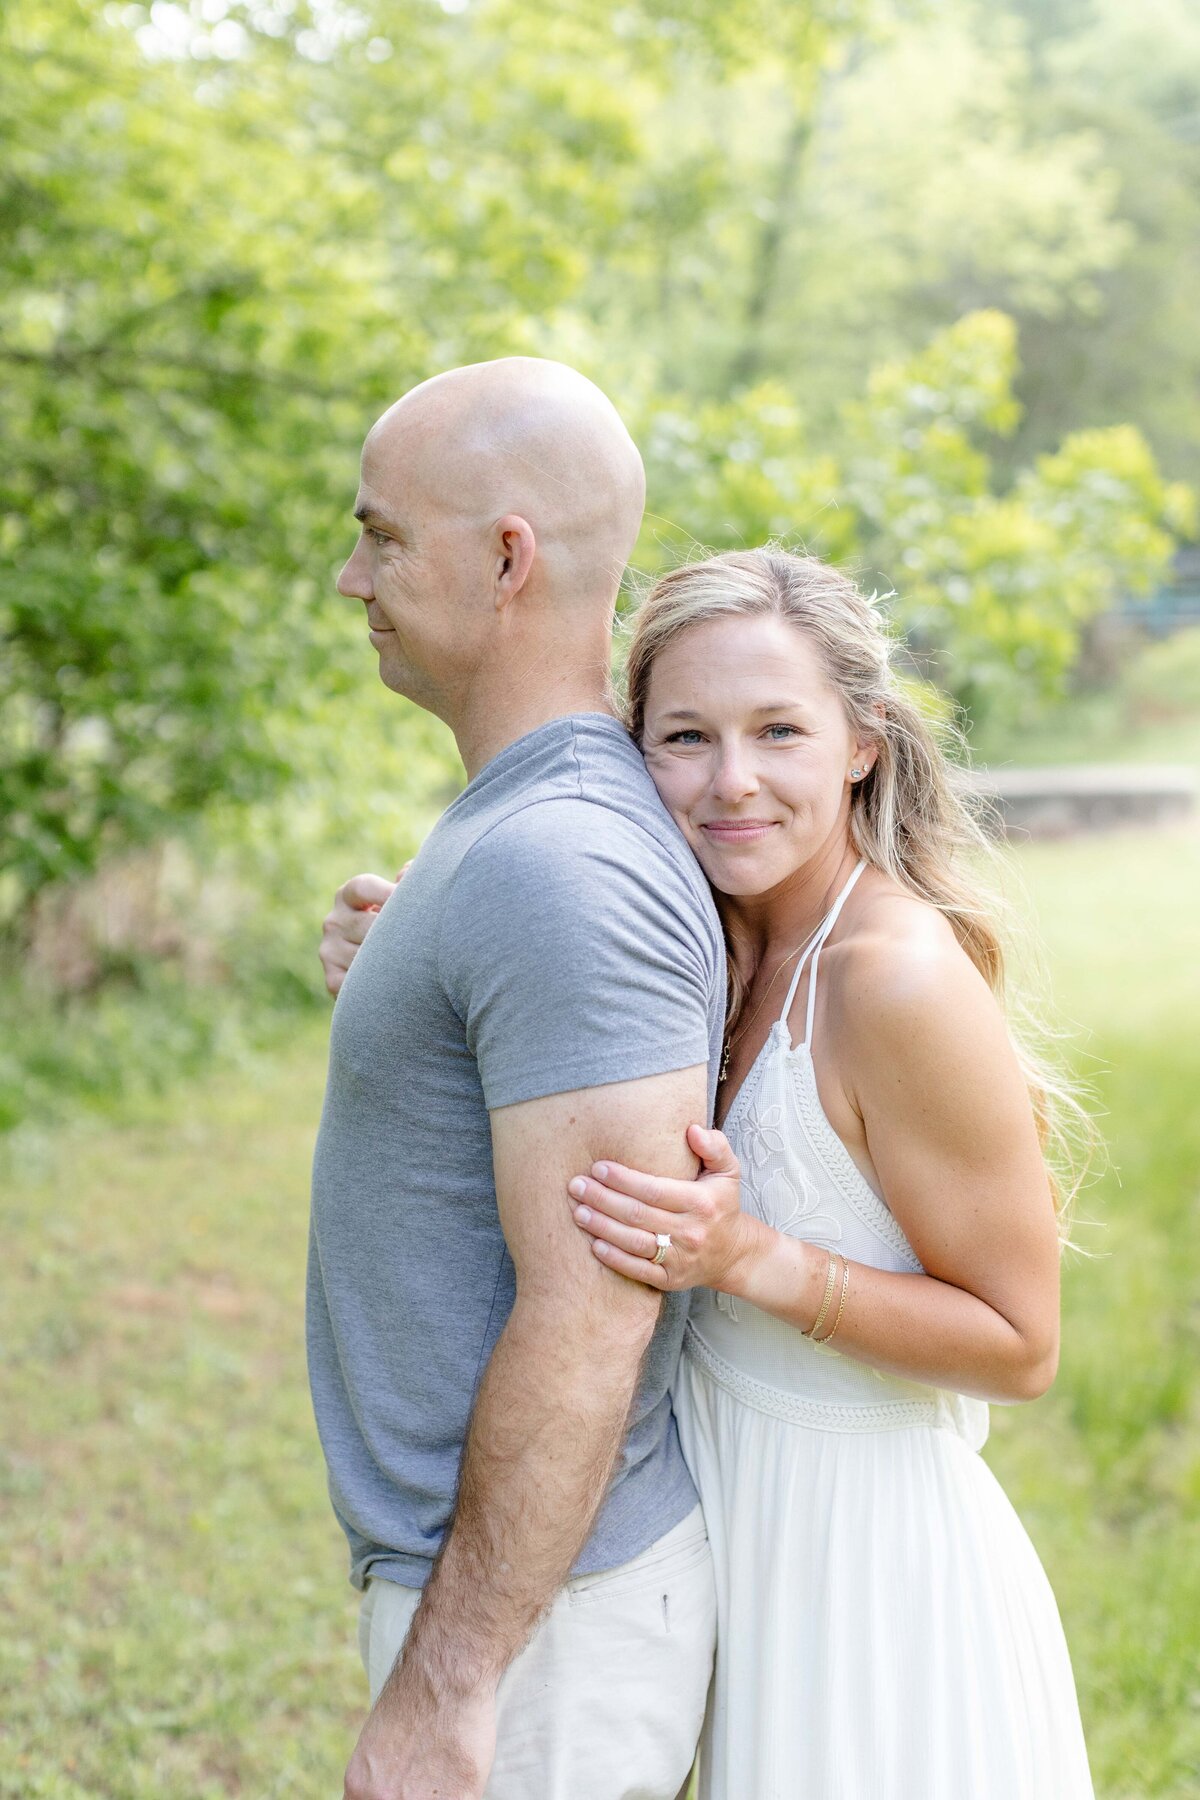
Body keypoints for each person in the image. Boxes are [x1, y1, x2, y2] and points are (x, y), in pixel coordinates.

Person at [329, 547, 1095, 1798]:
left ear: (862, 743)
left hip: (874, 1582)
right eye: (685, 737)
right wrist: (420, 946)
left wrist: (758, 1259)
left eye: (779, 731)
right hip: (732, 1538)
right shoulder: (714, 933)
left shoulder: (891, 977)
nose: (732, 781)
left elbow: (1022, 1343)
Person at [307, 357, 726, 1800]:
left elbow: (593, 1310)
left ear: (506, 560)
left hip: (544, 1635)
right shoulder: (525, 834)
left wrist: (450, 1682)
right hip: (524, 1607)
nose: (349, 576)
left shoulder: (562, 867)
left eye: (381, 535)